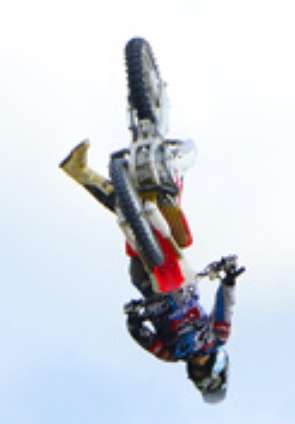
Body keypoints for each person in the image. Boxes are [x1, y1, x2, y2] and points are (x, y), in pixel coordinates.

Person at [59, 139, 244, 403]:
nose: (198, 369)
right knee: (179, 236)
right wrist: (228, 280)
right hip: (182, 280)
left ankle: (133, 191)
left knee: (127, 215)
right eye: (204, 372)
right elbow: (225, 306)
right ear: (219, 369)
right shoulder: (217, 337)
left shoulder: (170, 354)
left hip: (149, 283)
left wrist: (135, 319)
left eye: (198, 376)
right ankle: (89, 172)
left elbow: (143, 338)